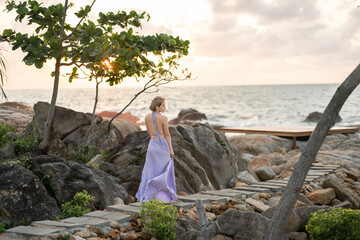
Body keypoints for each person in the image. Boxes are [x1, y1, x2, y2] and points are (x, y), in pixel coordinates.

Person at [135, 96, 178, 203]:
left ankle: (148, 195)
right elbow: (167, 135)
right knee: (165, 172)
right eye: (163, 105)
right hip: (162, 146)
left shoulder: (147, 117)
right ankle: (164, 197)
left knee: (150, 172)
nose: (165, 107)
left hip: (152, 146)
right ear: (157, 107)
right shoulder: (163, 118)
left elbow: (149, 133)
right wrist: (171, 150)